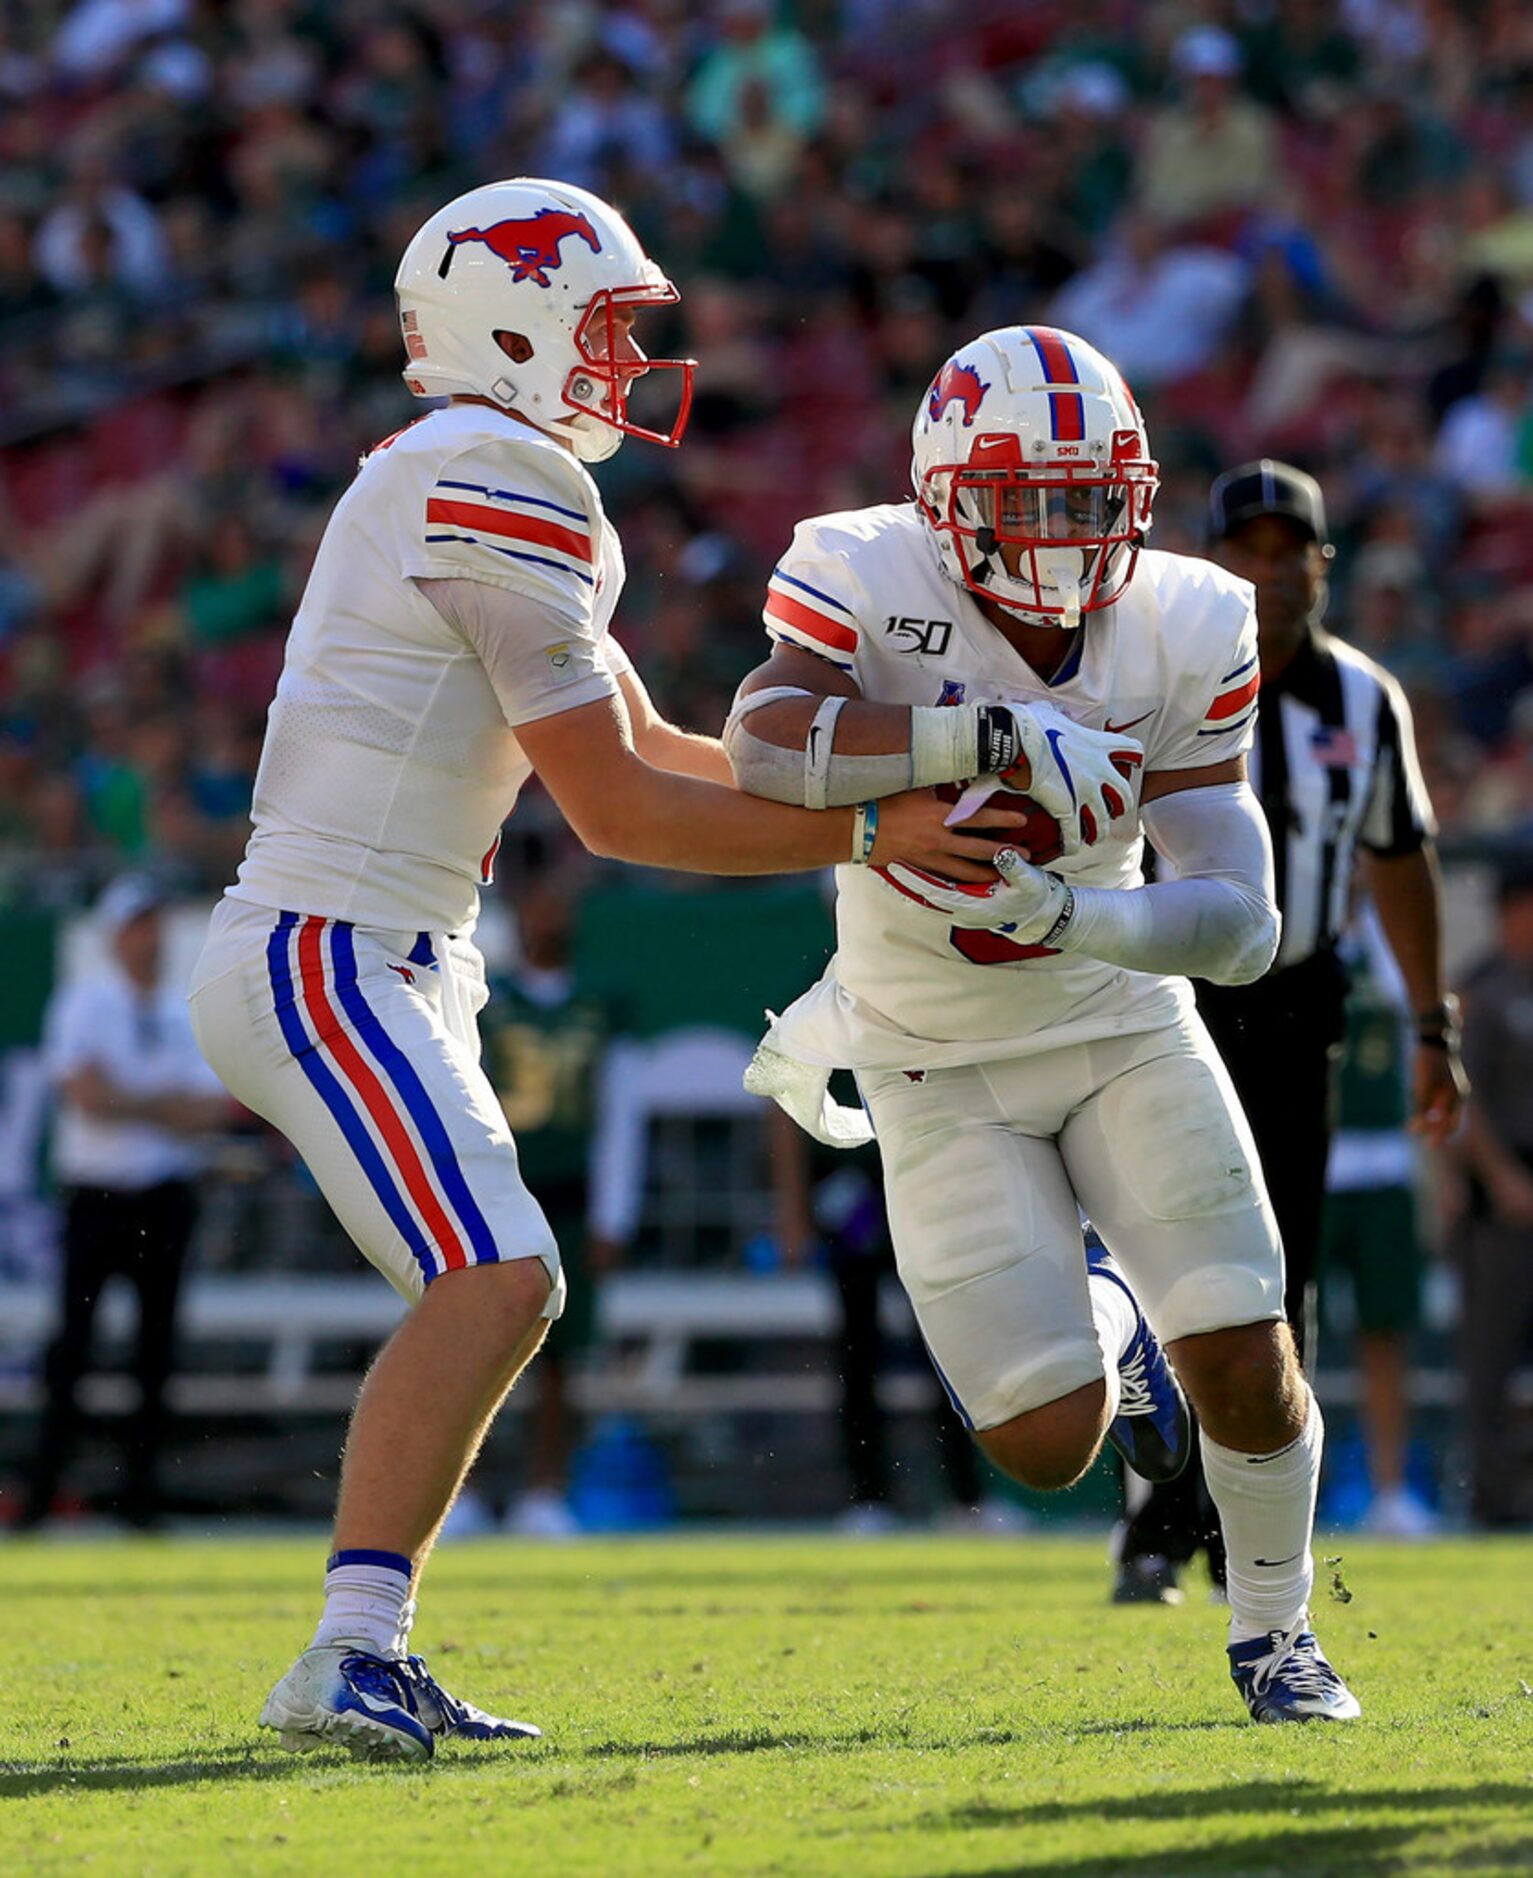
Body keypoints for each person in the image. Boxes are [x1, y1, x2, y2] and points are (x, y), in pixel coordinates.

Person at [185, 177, 1014, 1764]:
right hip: (327, 949)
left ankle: (366, 1646)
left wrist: (903, 778)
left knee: (503, 1280)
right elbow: (626, 811)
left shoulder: (480, 473)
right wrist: (875, 837)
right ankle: (347, 1652)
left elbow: (653, 744)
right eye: (614, 323)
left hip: (384, 954)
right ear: (517, 321)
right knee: (500, 1274)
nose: (634, 358)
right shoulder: (492, 471)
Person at [731, 324, 1363, 1723]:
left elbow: (1240, 918)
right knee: (1037, 1436)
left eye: (1091, 499)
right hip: (925, 1046)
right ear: (946, 498)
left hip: (1118, 1016)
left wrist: (1072, 920)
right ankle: (1110, 1332)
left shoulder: (1188, 616)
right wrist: (988, 738)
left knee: (1248, 1354)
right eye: (1028, 502)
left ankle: (1276, 1635)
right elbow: (763, 745)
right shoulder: (859, 565)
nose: (1067, 535)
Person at [1113, 460, 1466, 1602]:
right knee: (1162, 1244)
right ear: (1211, 565)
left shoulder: (1363, 699)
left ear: (1323, 563)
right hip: (1174, 993)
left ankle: (1247, 1536)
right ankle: (1160, 1523)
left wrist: (1431, 1023)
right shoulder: (1161, 676)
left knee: (1281, 1266)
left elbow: (1401, 858)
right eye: (1247, 552)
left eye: (1288, 550)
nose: (1268, 573)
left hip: (1299, 996)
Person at [22, 875, 231, 1530]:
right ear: (116, 936)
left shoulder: (178, 1010)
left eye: (156, 924)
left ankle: (139, 1499)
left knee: (154, 1352)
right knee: (73, 1350)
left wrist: (135, 1101)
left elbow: (210, 1112)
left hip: (163, 1196)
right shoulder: (86, 1005)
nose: (150, 938)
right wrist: (164, 1107)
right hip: (98, 1196)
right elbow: (88, 1097)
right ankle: (42, 1494)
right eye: (138, 925)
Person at [1455, 863, 1533, 1528]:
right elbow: (1460, 1101)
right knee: (1490, 1356)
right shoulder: (1482, 989)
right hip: (1500, 1202)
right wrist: (1502, 1177)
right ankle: (1491, 1498)